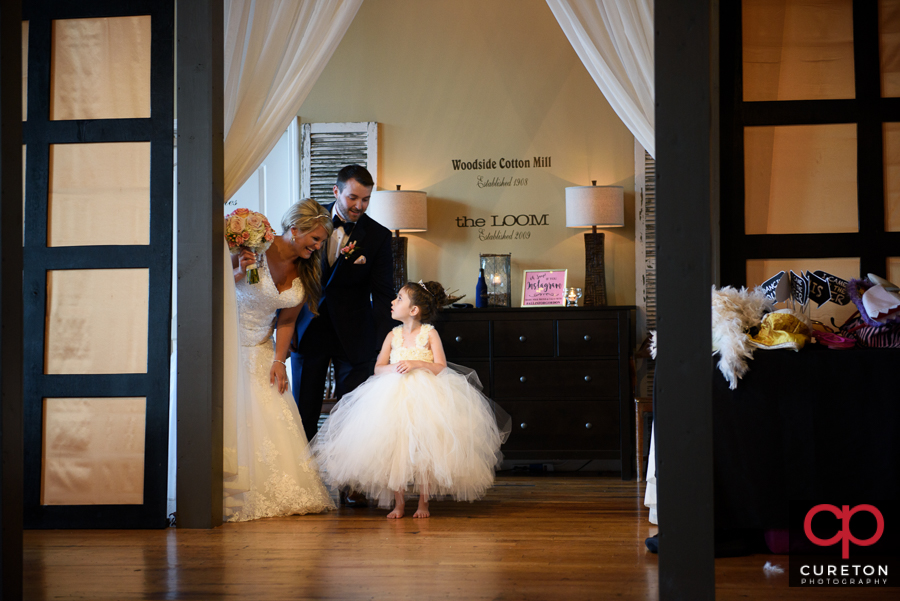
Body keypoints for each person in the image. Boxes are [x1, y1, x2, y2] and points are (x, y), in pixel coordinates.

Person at [311, 281, 510, 518]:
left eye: (399, 299)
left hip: (425, 397)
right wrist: (394, 368)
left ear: (414, 310)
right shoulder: (392, 335)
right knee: (395, 449)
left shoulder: (429, 334)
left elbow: (440, 367)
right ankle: (399, 503)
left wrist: (417, 363)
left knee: (426, 449)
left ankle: (423, 504)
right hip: (391, 397)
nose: (393, 302)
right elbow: (378, 368)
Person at [223, 198, 336, 522]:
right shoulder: (254, 249)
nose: (317, 247)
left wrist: (278, 360)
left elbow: (286, 321)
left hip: (261, 346)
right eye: (314, 239)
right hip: (227, 341)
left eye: (321, 242)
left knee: (272, 407)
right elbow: (212, 289)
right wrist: (238, 272)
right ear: (295, 230)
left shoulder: (305, 269)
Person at [290, 166, 395, 445]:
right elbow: (287, 278)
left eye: (365, 199)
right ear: (336, 191)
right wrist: (285, 331)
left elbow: (384, 294)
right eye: (352, 198)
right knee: (303, 412)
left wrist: (383, 343)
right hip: (308, 330)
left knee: (354, 414)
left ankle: (352, 486)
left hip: (355, 338)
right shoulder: (306, 221)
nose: (359, 206)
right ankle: (304, 482)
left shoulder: (379, 237)